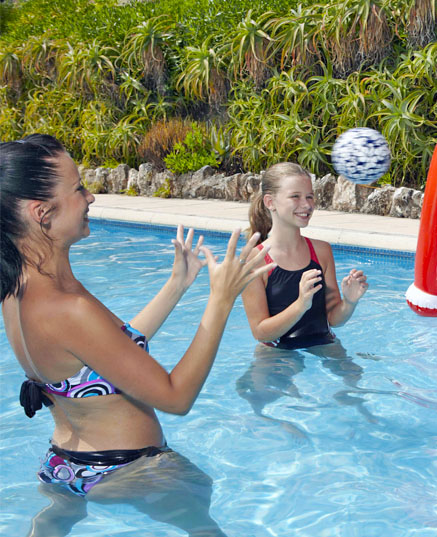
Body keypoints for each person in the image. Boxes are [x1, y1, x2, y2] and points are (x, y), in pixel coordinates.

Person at [0, 134, 273, 535]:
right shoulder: (66, 307)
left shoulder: (20, 290)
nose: (90, 197)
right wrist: (221, 299)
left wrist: (176, 285)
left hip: (63, 464)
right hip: (129, 468)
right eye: (78, 188)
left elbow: (107, 350)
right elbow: (176, 397)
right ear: (42, 212)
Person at [242, 162, 368, 350]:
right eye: (295, 196)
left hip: (323, 341)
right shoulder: (255, 260)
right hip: (276, 351)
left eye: (310, 196)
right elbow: (260, 331)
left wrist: (349, 302)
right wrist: (301, 305)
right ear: (270, 202)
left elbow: (333, 318)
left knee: (355, 376)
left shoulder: (322, 251)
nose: (307, 205)